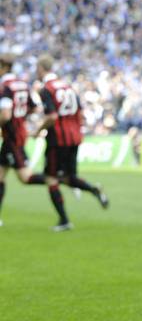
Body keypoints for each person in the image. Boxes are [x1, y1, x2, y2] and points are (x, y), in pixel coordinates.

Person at [34, 55, 109, 232]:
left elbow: (52, 117)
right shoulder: (68, 87)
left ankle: (64, 220)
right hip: (74, 138)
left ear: (41, 68)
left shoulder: (46, 89)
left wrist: (37, 131)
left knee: (51, 178)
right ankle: (93, 189)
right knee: (69, 178)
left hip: (57, 139)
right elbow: (80, 114)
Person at [0, 53, 71, 228]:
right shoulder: (22, 84)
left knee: (25, 178)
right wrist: (21, 118)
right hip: (18, 134)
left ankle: (59, 181)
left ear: (3, 67)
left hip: (12, 138)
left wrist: (11, 120)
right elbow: (33, 107)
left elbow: (6, 115)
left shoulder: (5, 87)